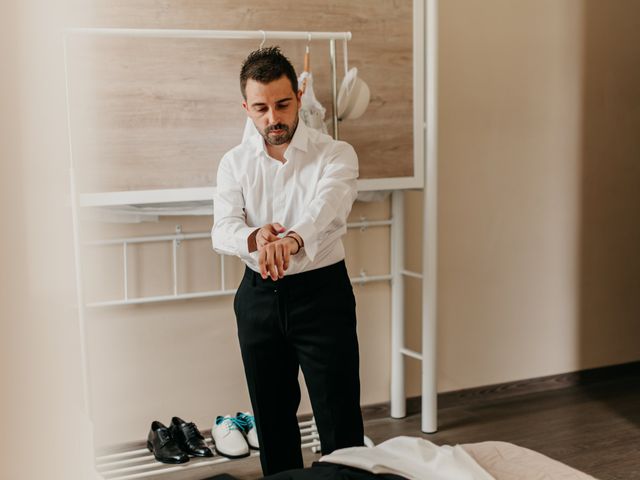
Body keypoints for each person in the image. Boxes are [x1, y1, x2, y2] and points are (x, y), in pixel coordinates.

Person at [211, 46, 364, 476]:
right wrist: (253, 236)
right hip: (258, 299)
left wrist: (292, 240)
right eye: (260, 108)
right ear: (246, 108)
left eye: (281, 104)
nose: (272, 118)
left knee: (339, 419)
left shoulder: (336, 154)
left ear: (298, 96)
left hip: (322, 296)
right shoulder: (233, 164)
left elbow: (327, 208)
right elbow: (222, 230)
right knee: (273, 421)